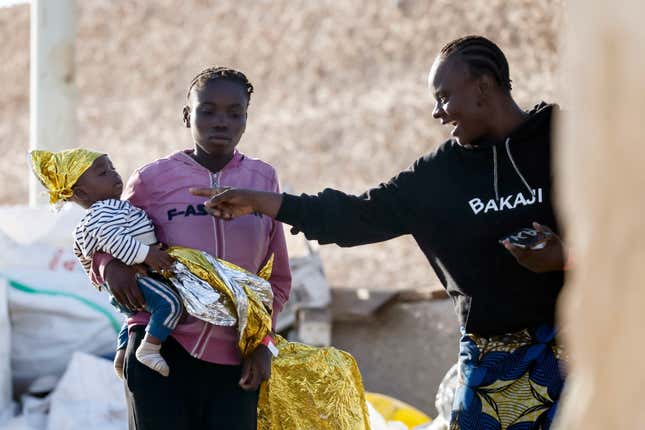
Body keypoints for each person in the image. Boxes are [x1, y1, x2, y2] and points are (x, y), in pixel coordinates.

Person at [191, 36, 567, 429]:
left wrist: (567, 258)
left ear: (483, 87)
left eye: (444, 96)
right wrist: (265, 201)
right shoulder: (437, 177)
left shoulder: (565, 138)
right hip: (493, 368)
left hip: (586, 348)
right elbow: (356, 216)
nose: (437, 113)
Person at [91, 67, 291, 430]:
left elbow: (276, 279)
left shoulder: (263, 180)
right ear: (187, 115)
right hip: (161, 351)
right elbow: (103, 231)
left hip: (236, 359)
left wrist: (265, 344)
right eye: (208, 110)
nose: (221, 122)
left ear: (247, 119)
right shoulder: (152, 180)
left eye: (235, 113)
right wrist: (108, 267)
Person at [29, 149, 180, 378]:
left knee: (130, 319)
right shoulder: (103, 211)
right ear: (82, 192)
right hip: (136, 277)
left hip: (135, 277)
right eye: (103, 173)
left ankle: (120, 355)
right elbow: (111, 239)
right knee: (170, 304)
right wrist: (148, 255)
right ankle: (150, 347)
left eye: (112, 169)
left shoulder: (111, 208)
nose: (114, 175)